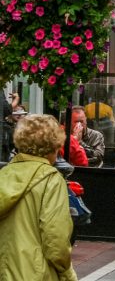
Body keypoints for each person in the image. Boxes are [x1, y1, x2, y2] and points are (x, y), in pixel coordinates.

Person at [0, 114, 78, 280]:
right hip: (35, 273)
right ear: (52, 147)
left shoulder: (4, 175)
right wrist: (67, 273)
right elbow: (55, 240)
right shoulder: (51, 179)